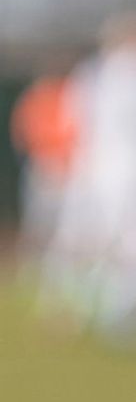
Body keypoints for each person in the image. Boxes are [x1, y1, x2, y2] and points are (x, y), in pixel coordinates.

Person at [43, 14, 136, 347]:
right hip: (131, 177)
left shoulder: (91, 75)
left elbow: (74, 123)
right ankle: (115, 313)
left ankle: (105, 312)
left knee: (103, 251)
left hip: (96, 174)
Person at [10, 63, 78, 275]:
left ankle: (60, 266)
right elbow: (24, 133)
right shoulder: (35, 99)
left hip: (69, 170)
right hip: (45, 165)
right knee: (39, 222)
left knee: (67, 224)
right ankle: (33, 264)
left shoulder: (71, 97)